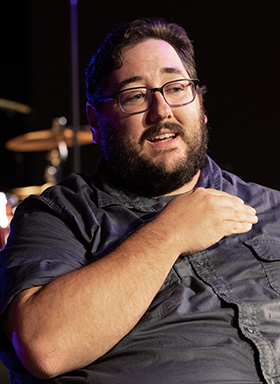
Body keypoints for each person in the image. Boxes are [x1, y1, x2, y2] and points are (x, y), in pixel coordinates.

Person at [0, 17, 279, 384]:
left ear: (201, 106)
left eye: (177, 88)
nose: (161, 111)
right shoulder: (59, 215)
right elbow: (44, 346)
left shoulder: (271, 207)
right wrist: (171, 233)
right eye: (134, 96)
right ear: (95, 120)